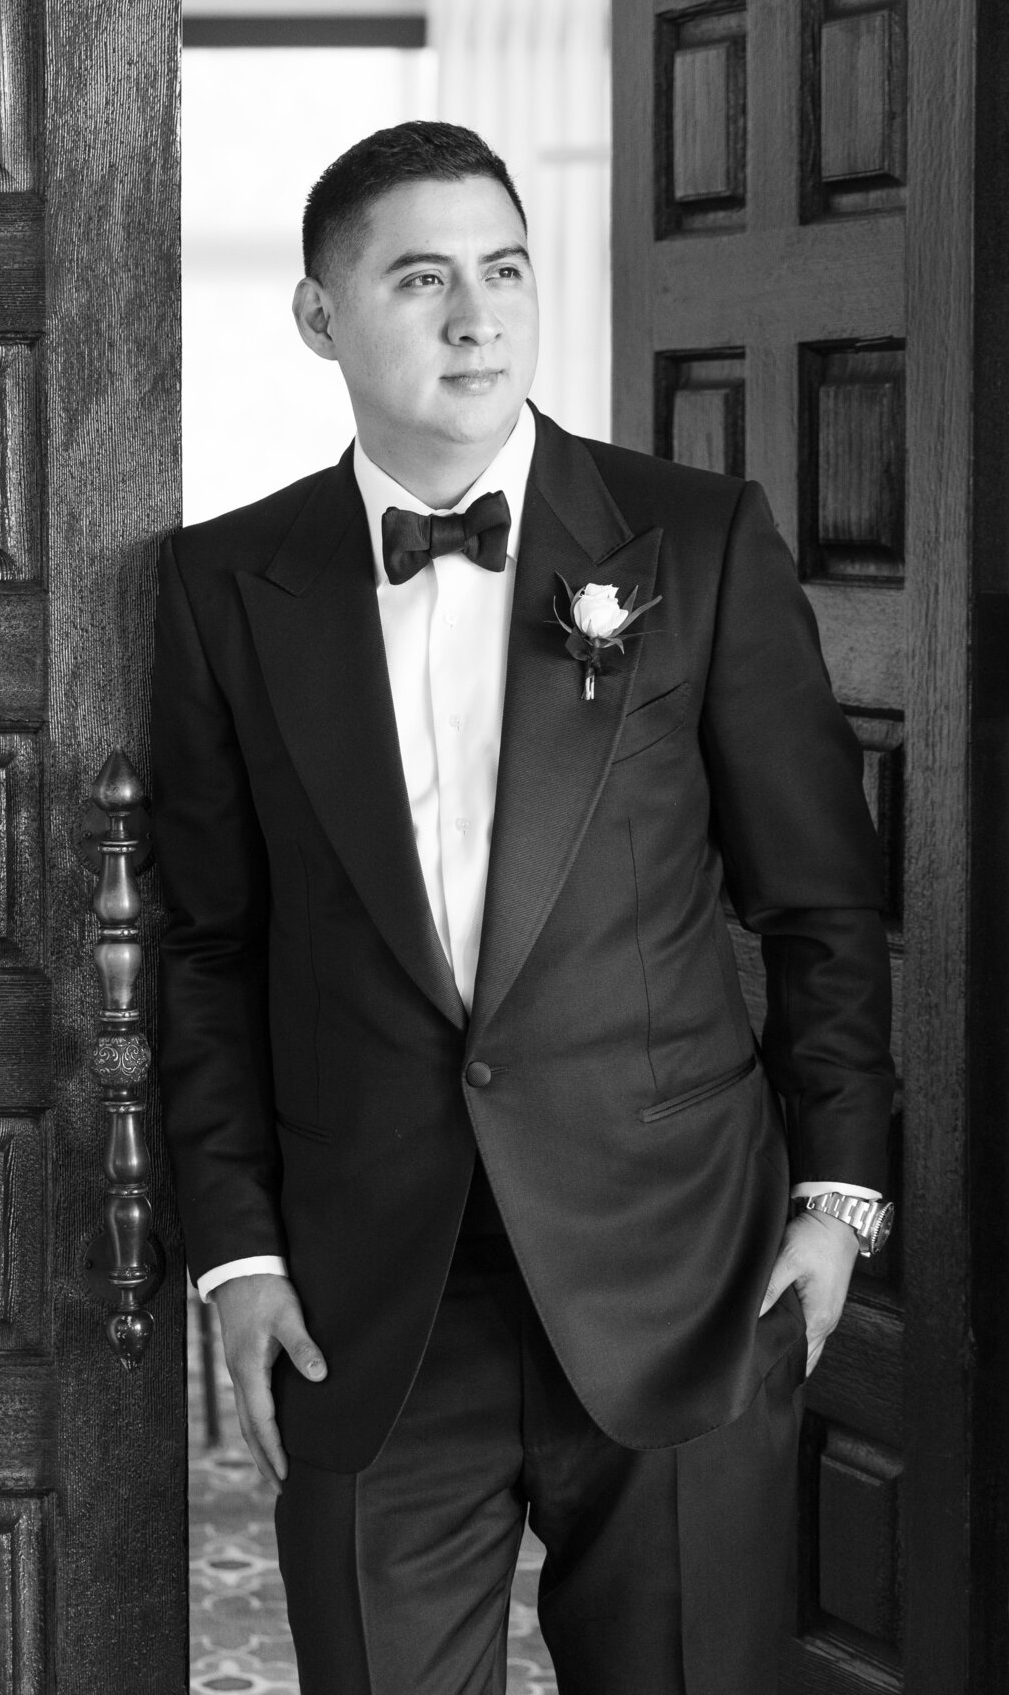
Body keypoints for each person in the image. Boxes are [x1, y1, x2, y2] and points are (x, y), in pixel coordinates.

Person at [151, 120, 895, 1695]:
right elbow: (209, 948)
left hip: (685, 1277)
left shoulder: (692, 541)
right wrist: (236, 1254)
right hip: (367, 1307)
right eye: (422, 280)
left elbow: (820, 901)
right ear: (318, 317)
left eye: (504, 270)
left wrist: (840, 1203)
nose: (478, 318)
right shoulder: (226, 584)